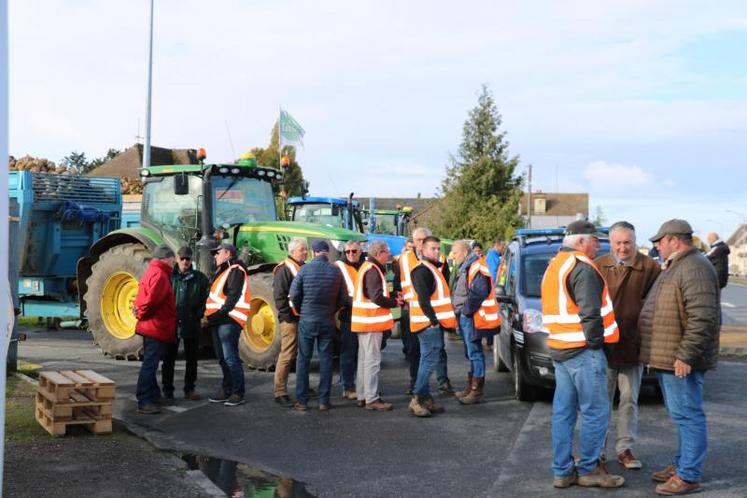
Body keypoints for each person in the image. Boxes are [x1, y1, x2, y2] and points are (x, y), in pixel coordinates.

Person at [639, 219, 720, 495]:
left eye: (659, 242)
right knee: (680, 414)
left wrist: (685, 355)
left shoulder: (695, 267)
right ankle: (682, 464)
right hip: (668, 356)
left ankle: (688, 475)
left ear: (674, 240)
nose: (657, 247)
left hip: (680, 359)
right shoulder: (680, 264)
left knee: (688, 415)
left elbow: (703, 317)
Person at [542, 220, 623, 489]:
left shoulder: (554, 266)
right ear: (580, 241)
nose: (598, 244)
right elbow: (591, 314)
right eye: (594, 239)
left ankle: (562, 471)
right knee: (596, 411)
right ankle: (589, 469)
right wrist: (597, 344)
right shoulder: (582, 268)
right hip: (583, 351)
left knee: (563, 412)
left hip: (561, 349)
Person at [594, 222, 660, 469]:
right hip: (603, 347)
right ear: (610, 243)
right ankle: (597, 451)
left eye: (628, 243)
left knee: (630, 400)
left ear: (635, 241)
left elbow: (656, 308)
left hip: (634, 345)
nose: (623, 248)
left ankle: (625, 449)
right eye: (618, 243)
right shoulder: (598, 266)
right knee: (601, 401)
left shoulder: (649, 267)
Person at [393, 227, 454, 395]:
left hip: (433, 313)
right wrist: (402, 302)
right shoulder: (404, 259)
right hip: (411, 310)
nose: (420, 243)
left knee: (438, 349)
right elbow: (398, 284)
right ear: (413, 242)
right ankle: (416, 384)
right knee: (414, 350)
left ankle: (443, 382)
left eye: (423, 240)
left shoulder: (439, 258)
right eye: (417, 240)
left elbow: (445, 284)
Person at [288, 240, 347, 411]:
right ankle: (323, 400)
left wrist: (302, 310)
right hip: (327, 320)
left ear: (314, 253)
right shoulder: (336, 272)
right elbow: (342, 298)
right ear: (327, 253)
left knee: (303, 360)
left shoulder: (304, 270)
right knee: (326, 360)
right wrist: (331, 309)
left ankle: (302, 400)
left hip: (307, 319)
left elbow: (294, 294)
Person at [408, 236, 457, 417]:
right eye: (433, 249)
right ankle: (417, 399)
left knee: (426, 361)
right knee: (429, 362)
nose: (437, 252)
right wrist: (434, 320)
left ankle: (425, 397)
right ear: (423, 250)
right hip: (427, 325)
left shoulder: (432, 269)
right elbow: (423, 299)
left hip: (430, 323)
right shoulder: (423, 270)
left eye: (438, 249)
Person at [351, 241, 402, 411]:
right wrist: (394, 302)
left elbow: (372, 294)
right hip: (371, 322)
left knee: (364, 360)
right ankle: (371, 398)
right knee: (372, 361)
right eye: (387, 252)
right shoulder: (373, 269)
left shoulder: (366, 267)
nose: (388, 255)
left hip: (364, 322)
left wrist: (393, 295)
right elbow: (376, 297)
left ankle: (363, 395)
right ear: (379, 253)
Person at [450, 240, 500, 405]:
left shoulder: (475, 266)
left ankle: (476, 391)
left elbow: (478, 292)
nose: (452, 256)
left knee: (475, 352)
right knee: (471, 352)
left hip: (472, 317)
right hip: (467, 315)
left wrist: (465, 311)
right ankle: (472, 387)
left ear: (464, 252)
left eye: (455, 253)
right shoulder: (468, 265)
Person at [161, 246, 210, 402]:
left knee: (192, 359)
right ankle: (167, 391)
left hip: (191, 324)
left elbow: (205, 300)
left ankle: (190, 388)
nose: (185, 261)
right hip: (172, 324)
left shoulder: (200, 279)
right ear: (176, 259)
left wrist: (198, 315)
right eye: (182, 258)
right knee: (168, 359)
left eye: (188, 259)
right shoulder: (169, 277)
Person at [205, 243, 251, 407]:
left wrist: (217, 315)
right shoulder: (223, 271)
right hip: (219, 321)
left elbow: (232, 297)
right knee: (223, 359)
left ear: (228, 254)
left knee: (231, 358)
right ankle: (227, 389)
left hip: (229, 320)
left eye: (217, 253)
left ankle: (238, 392)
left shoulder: (235, 270)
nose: (214, 256)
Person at [133, 245, 177, 415]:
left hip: (151, 326)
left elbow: (143, 298)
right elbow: (151, 301)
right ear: (166, 258)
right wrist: (141, 313)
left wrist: (139, 313)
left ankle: (153, 395)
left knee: (151, 363)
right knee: (150, 365)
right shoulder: (160, 274)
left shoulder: (152, 271)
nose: (174, 262)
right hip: (155, 327)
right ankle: (144, 400)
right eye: (172, 258)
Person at [272, 238, 307, 405]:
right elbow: (279, 297)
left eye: (306, 249)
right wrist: (288, 317)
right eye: (302, 250)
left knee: (302, 355)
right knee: (287, 355)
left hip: (301, 318)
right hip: (290, 320)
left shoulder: (301, 267)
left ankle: (303, 385)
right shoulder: (284, 270)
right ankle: (280, 391)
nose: (306, 252)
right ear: (292, 252)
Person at [335, 240, 363, 401]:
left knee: (361, 354)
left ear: (360, 252)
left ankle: (360, 385)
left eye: (354, 251)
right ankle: (347, 386)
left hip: (364, 317)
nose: (351, 254)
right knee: (348, 353)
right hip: (349, 316)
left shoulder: (364, 265)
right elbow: (340, 294)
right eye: (348, 252)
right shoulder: (339, 267)